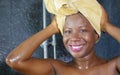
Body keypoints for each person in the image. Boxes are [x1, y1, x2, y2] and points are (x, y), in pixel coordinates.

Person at [6, 2, 120, 75]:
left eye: (83, 30)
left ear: (96, 35)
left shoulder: (113, 67)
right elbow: (14, 61)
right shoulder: (57, 69)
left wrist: (106, 26)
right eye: (68, 31)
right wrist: (51, 28)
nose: (74, 38)